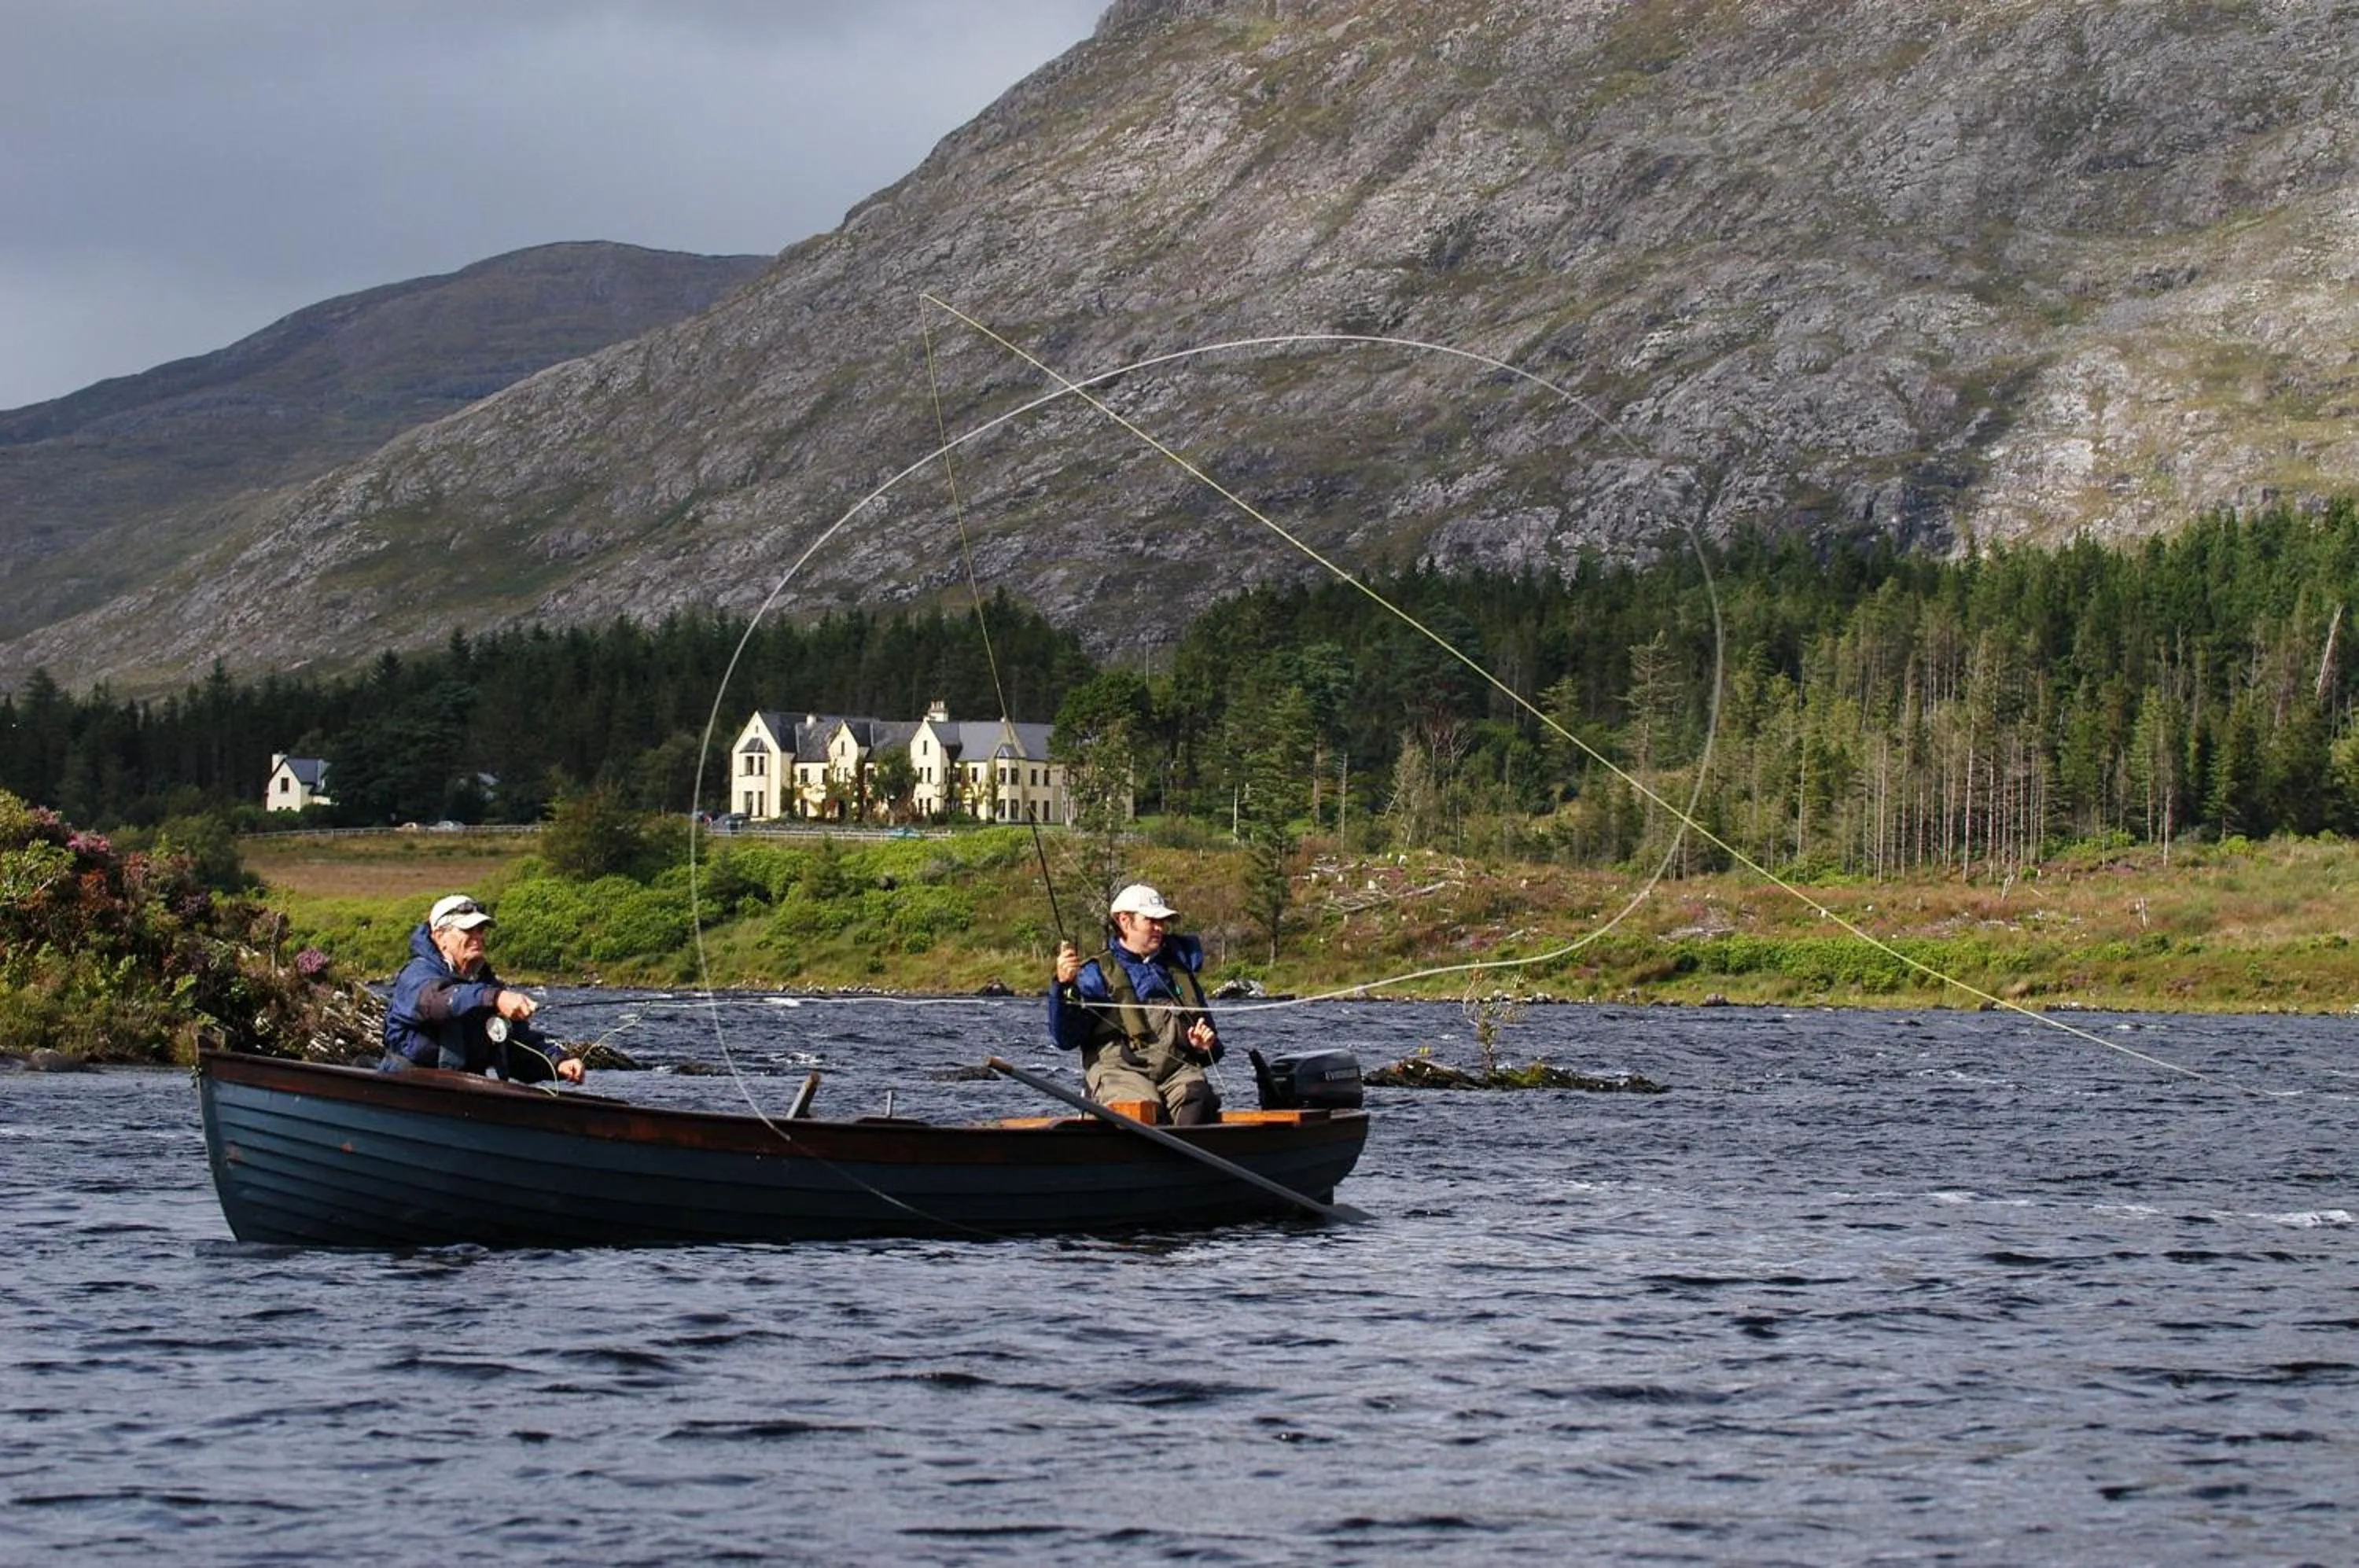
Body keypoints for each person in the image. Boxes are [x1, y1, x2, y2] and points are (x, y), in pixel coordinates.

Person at [1047, 882, 1222, 1124]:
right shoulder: (1095, 974)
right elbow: (1065, 1039)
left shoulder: (1180, 971)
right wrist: (1063, 986)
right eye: (1151, 921)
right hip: (1119, 1073)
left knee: (1200, 1097)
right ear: (1125, 922)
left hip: (1176, 1072)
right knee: (1143, 1110)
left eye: (1162, 922)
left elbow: (1214, 1050)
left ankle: (1181, 1159)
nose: (1160, 928)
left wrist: (1204, 1047)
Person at [381, 894, 584, 1084]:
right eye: (467, 930)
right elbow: (437, 1002)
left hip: (463, 1092)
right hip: (407, 1087)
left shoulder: (485, 984)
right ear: (440, 937)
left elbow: (516, 1046)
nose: (477, 936)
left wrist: (557, 1063)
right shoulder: (417, 974)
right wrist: (495, 998)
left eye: (480, 930)